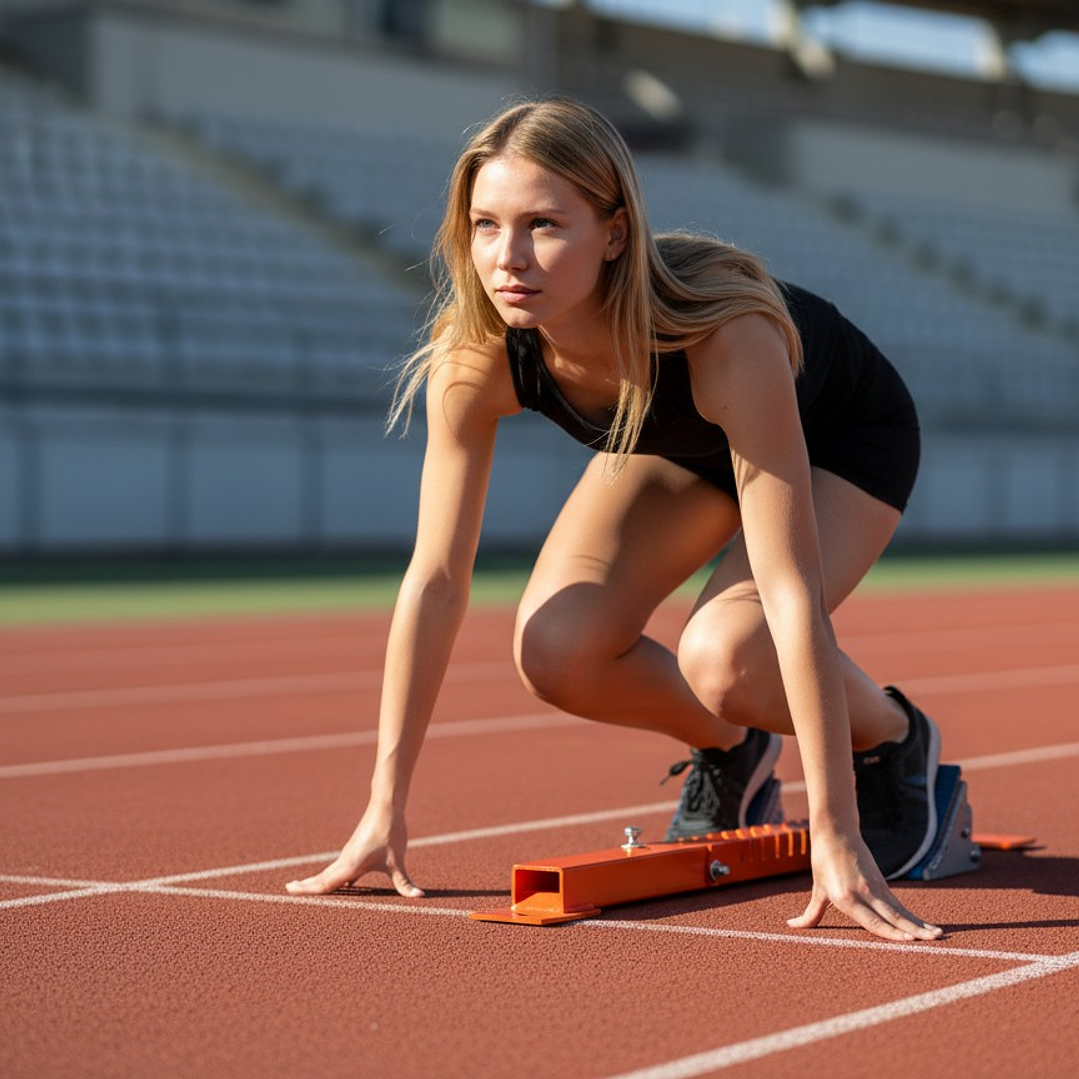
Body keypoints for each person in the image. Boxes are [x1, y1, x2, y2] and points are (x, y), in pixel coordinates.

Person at [287, 97, 944, 943]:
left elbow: (788, 590)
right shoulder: (477, 355)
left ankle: (895, 739)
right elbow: (437, 578)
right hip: (672, 438)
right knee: (556, 648)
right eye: (485, 225)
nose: (507, 258)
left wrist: (836, 829)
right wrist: (384, 806)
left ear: (615, 231)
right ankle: (732, 747)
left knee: (730, 652)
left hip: (835, 438)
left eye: (543, 225)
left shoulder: (724, 337)